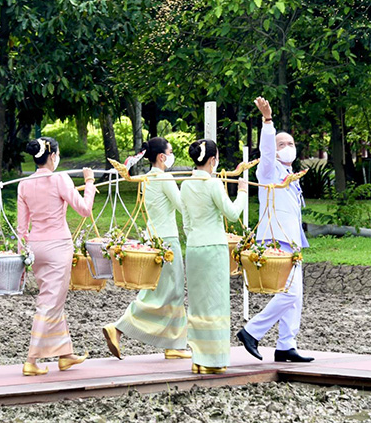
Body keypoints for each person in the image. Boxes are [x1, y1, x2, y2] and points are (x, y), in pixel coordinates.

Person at [237, 97, 314, 363]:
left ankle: (286, 345)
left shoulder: (292, 176)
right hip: (275, 239)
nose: (287, 148)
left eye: (291, 144)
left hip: (293, 241)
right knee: (289, 293)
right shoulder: (269, 171)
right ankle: (251, 331)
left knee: (296, 295)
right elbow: (267, 151)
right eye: (283, 144)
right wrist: (268, 121)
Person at [102, 138, 191, 360]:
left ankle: (173, 343)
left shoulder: (148, 178)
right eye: (170, 153)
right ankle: (121, 327)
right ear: (162, 157)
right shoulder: (164, 177)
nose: (171, 156)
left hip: (153, 237)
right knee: (172, 290)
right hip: (167, 239)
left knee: (161, 291)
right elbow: (181, 205)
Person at [17, 136, 97, 376]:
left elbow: (22, 228)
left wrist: (23, 256)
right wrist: (90, 182)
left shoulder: (23, 184)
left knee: (53, 298)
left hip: (36, 248)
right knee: (50, 302)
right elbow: (84, 209)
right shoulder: (59, 178)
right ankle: (31, 359)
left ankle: (65, 354)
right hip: (58, 246)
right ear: (53, 156)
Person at [180, 139, 247, 374]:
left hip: (194, 248)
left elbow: (186, 222)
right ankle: (214, 360)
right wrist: (242, 192)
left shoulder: (186, 185)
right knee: (216, 303)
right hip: (214, 248)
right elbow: (231, 213)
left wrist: (195, 236)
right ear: (212, 160)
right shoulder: (213, 184)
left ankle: (198, 357)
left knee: (198, 304)